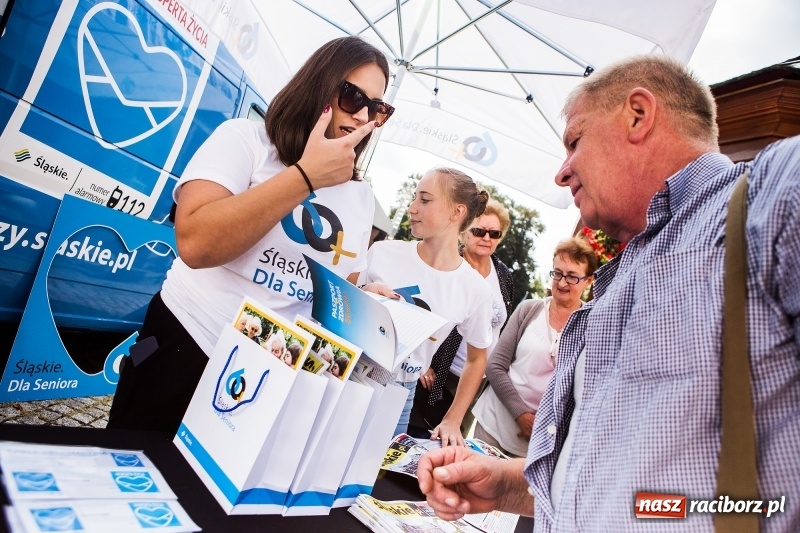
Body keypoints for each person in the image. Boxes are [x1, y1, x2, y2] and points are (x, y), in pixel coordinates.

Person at [418, 55, 800, 531]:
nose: (562, 173)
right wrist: (507, 485)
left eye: (574, 142)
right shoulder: (628, 268)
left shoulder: (773, 191)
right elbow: (613, 477)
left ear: (638, 115)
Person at [108, 36, 394, 434]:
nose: (363, 116)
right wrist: (306, 177)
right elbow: (195, 244)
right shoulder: (246, 139)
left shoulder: (361, 196)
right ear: (319, 85)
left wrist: (364, 296)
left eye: (377, 108)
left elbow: (332, 292)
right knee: (135, 461)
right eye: (353, 96)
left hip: (268, 375)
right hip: (188, 340)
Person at [360, 167, 493, 446]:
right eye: (414, 197)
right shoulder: (382, 253)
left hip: (399, 395)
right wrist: (363, 293)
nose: (412, 207)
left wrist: (453, 419)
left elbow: (477, 359)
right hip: (350, 373)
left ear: (456, 212)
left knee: (370, 471)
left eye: (425, 199)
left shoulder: (475, 289)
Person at [471, 236, 596, 457]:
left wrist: (544, 424)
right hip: (493, 427)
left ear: (588, 280)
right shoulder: (529, 310)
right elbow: (495, 367)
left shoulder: (593, 327)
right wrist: (521, 415)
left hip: (538, 445)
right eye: (558, 273)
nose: (562, 283)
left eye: (572, 277)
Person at [409, 199, 515, 437]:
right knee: (427, 436)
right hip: (441, 374)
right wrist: (422, 361)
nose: (486, 238)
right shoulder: (449, 265)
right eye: (479, 231)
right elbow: (421, 309)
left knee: (456, 440)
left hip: (479, 380)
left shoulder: (504, 275)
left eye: (494, 233)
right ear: (464, 231)